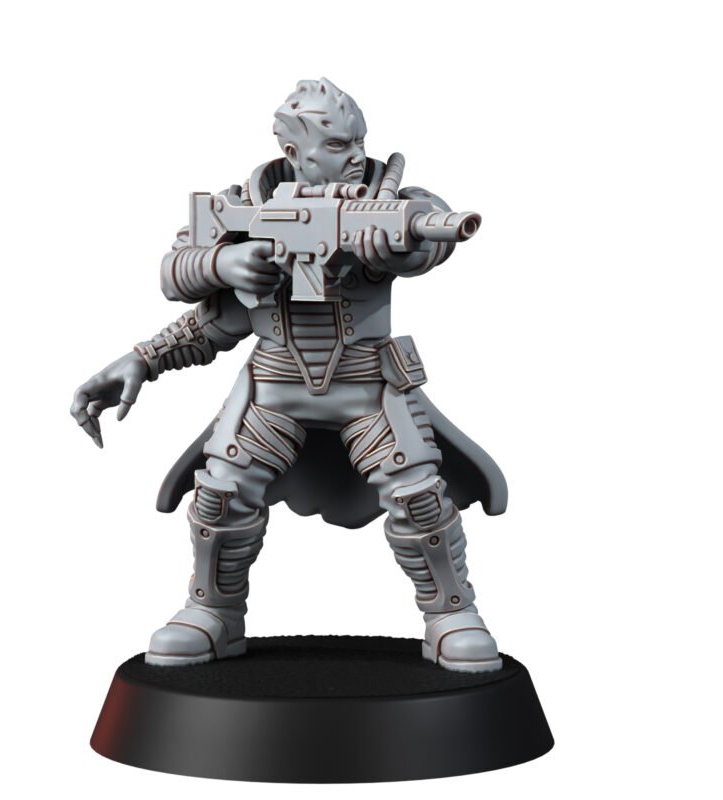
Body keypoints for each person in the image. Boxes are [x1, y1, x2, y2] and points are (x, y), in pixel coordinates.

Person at [71, 78, 508, 672]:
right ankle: (212, 612)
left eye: (359, 141)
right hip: (273, 386)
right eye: (337, 144)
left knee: (419, 498)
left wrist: (395, 248)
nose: (354, 155)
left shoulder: (389, 201)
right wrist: (222, 267)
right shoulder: (241, 207)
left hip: (367, 385)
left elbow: (426, 232)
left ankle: (450, 613)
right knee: (221, 495)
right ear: (293, 152)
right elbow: (204, 302)